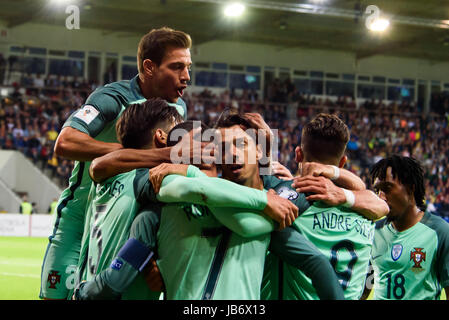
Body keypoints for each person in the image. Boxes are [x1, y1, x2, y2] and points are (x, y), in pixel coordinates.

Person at [73, 114, 303, 300]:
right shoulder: (161, 202)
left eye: (206, 148)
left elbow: (312, 261)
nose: (200, 156)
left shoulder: (259, 194)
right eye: (188, 153)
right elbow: (118, 276)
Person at [40, 26, 193, 300]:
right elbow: (65, 143)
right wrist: (127, 153)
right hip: (82, 218)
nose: (186, 77)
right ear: (149, 67)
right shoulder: (113, 98)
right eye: (177, 67)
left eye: (188, 67)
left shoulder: (178, 110)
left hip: (132, 224)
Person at [268, 113, 389, 300]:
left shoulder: (286, 208)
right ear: (342, 163)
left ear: (298, 154)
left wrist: (285, 183)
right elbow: (368, 279)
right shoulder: (366, 213)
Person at [363, 155, 449, 300]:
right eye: (377, 190)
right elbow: (365, 288)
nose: (381, 197)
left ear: (410, 189)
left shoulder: (439, 232)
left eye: (387, 188)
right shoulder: (373, 232)